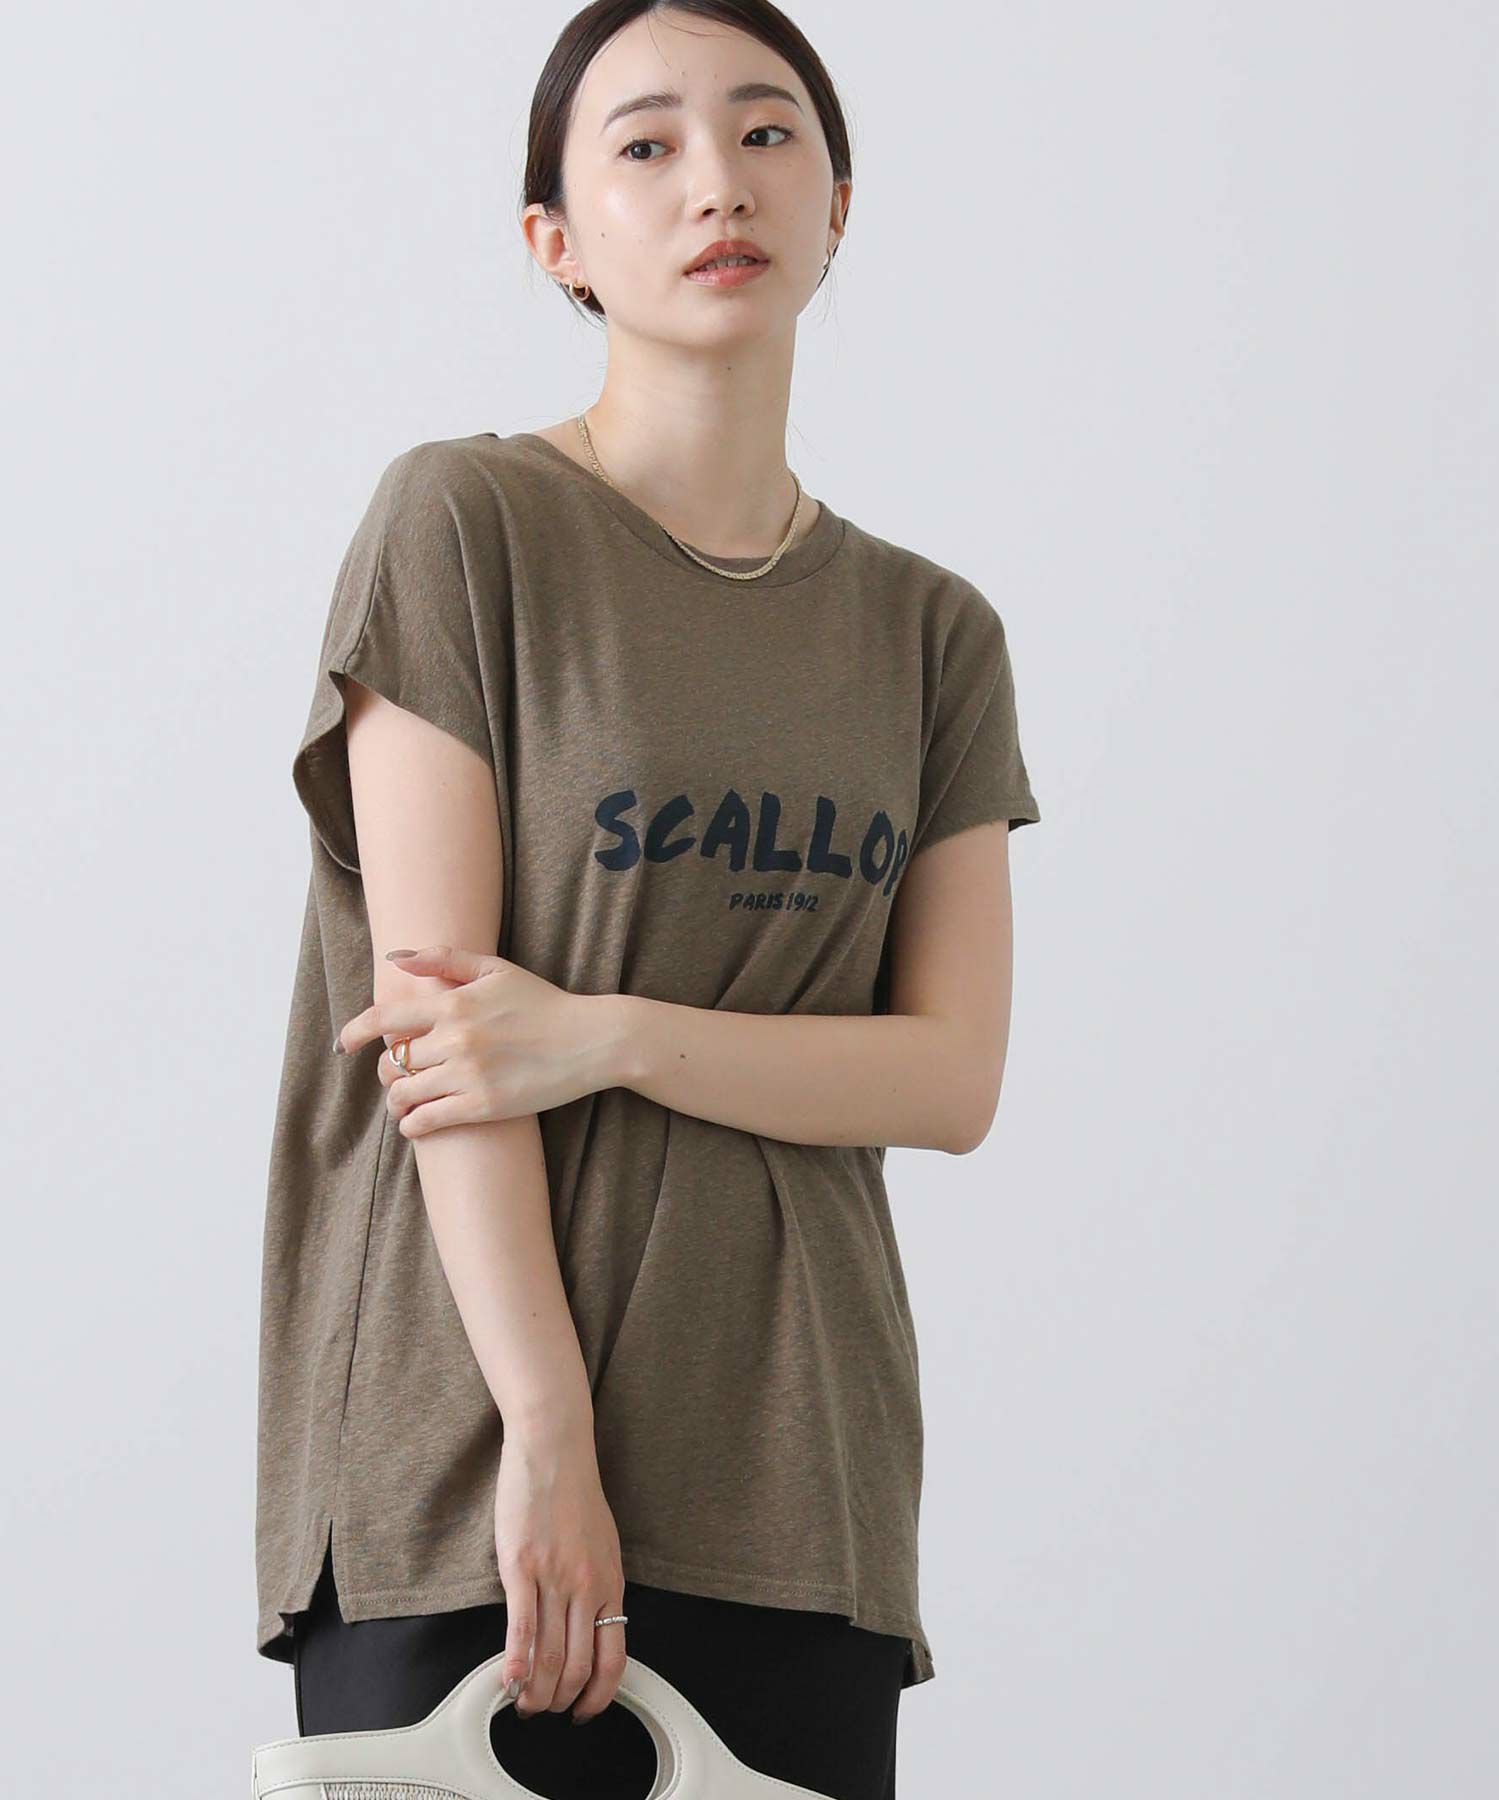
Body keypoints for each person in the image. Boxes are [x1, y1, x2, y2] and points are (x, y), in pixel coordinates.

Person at [255, 3, 1040, 1796]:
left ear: (840, 205)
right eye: (646, 145)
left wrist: (602, 1033)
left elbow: (949, 1077)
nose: (718, 184)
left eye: (768, 135)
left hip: (799, 1469)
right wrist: (544, 1433)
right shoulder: (464, 525)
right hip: (467, 1456)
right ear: (556, 239)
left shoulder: (932, 635)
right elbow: (444, 1044)